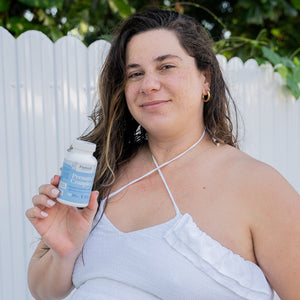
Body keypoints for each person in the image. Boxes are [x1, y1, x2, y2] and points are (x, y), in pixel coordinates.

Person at [25, 8, 300, 300]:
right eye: (135, 73)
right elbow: (44, 292)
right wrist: (65, 252)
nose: (148, 84)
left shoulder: (259, 186)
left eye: (166, 66)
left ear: (205, 78)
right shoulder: (101, 172)